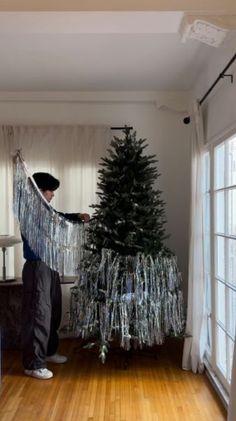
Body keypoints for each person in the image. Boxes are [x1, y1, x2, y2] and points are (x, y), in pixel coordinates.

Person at [21, 172, 89, 380]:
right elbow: (52, 222)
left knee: (53, 310)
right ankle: (33, 364)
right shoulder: (31, 210)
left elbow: (58, 216)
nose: (53, 195)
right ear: (41, 192)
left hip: (50, 265)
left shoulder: (45, 209)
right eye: (51, 191)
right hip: (37, 267)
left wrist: (76, 217)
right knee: (38, 314)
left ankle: (49, 352)